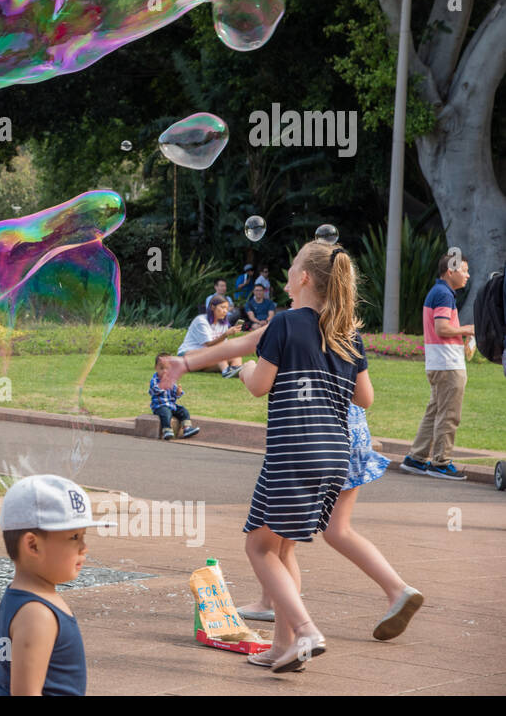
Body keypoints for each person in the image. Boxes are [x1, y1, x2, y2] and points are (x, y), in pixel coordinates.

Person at [159, 240, 372, 674]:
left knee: (258, 546)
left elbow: (260, 384)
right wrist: (190, 362)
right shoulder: (347, 332)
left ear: (304, 278)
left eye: (292, 266)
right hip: (335, 455)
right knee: (282, 548)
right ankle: (282, 646)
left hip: (293, 452)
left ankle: (307, 632)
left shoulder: (286, 323)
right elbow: (364, 397)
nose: (287, 274)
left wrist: (243, 370)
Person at [236, 403, 424, 642]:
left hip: (318, 436)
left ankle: (285, 618)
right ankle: (397, 590)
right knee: (336, 530)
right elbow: (366, 397)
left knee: (280, 540)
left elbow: (260, 387)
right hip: (352, 435)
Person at [0, 475, 114, 696]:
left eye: (83, 536)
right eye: (74, 537)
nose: (84, 547)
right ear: (33, 545)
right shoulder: (37, 613)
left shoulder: (23, 599)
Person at [400, 253, 474, 481]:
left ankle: (416, 458)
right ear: (450, 272)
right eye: (464, 270)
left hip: (438, 363)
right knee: (449, 415)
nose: (468, 275)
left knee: (434, 412)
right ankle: (441, 462)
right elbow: (442, 328)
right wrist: (468, 329)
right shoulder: (444, 294)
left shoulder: (439, 292)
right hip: (448, 365)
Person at [177, 299, 243, 377]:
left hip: (205, 358)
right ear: (212, 307)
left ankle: (234, 371)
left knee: (236, 354)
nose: (225, 311)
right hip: (188, 355)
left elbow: (222, 345)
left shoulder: (223, 323)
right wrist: (225, 334)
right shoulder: (201, 321)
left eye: (226, 308)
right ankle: (226, 371)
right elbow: (208, 344)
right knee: (217, 351)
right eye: (222, 307)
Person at [149, 354, 199, 440]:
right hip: (160, 406)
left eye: (167, 368)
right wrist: (164, 384)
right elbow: (155, 390)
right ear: (156, 368)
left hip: (172, 405)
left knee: (183, 411)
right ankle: (167, 430)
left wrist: (178, 392)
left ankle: (187, 428)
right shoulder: (154, 380)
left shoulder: (171, 380)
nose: (165, 371)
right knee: (166, 414)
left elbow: (174, 394)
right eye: (161, 368)